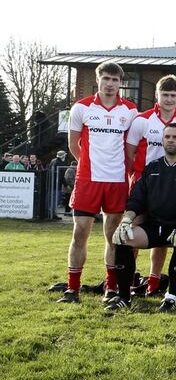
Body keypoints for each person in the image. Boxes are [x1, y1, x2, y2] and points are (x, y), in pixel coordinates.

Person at [58, 61, 137, 304]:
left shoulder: (131, 111)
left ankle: (110, 289)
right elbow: (73, 145)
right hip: (88, 180)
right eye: (107, 79)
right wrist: (89, 166)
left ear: (120, 83)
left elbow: (132, 147)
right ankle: (73, 289)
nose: (111, 84)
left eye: (115, 80)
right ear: (98, 80)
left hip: (116, 181)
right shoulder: (81, 108)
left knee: (112, 237)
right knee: (80, 232)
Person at [105, 124, 176, 312]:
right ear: (162, 140)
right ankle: (124, 297)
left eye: (175, 137)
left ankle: (170, 298)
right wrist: (127, 220)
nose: (171, 140)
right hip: (153, 226)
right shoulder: (152, 167)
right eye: (167, 136)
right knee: (122, 238)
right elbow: (137, 198)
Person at [126, 74, 176, 297]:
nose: (169, 99)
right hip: (144, 185)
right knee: (132, 232)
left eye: (173, 95)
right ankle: (128, 280)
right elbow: (130, 153)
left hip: (170, 188)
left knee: (162, 235)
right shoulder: (142, 120)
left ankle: (154, 282)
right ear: (157, 95)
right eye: (165, 94)